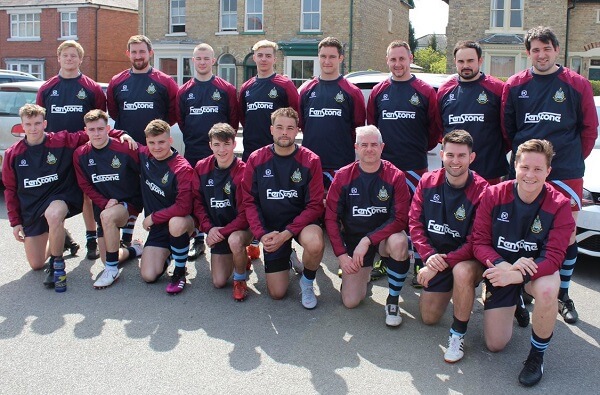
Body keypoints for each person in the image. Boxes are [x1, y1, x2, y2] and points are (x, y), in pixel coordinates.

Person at [502, 26, 599, 324]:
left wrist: (567, 159)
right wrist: (525, 162)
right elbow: (509, 129)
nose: (541, 55)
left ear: (556, 50)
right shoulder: (516, 84)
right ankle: (519, 294)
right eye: (535, 50)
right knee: (519, 232)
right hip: (526, 171)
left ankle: (563, 295)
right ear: (527, 53)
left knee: (567, 233)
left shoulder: (577, 84)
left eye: (546, 49)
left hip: (565, 172)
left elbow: (589, 130)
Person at [472, 139, 575, 387]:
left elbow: (553, 257)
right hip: (502, 269)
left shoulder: (560, 205)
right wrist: (502, 265)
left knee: (550, 287)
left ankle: (536, 355)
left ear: (548, 172)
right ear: (515, 166)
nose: (530, 175)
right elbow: (479, 242)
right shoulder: (493, 194)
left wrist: (516, 277)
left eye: (538, 169)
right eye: (525, 167)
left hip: (532, 274)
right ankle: (515, 297)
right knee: (495, 345)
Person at [2, 104, 131, 288]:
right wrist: (15, 222)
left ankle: (57, 265)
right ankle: (62, 239)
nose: (33, 128)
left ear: (45, 123)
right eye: (28, 124)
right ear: (22, 126)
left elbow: (92, 132)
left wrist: (120, 134)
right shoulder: (13, 154)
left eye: (37, 123)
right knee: (36, 263)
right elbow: (10, 189)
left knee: (54, 215)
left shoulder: (61, 140)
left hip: (58, 198)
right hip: (32, 206)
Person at [366, 40, 442, 286]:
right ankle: (384, 259)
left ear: (410, 58)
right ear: (387, 61)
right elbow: (372, 129)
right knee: (384, 214)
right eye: (393, 59)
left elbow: (434, 130)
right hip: (385, 167)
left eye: (402, 58)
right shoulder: (378, 91)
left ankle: (420, 260)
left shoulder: (425, 91)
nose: (397, 64)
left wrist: (418, 147)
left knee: (416, 216)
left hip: (415, 166)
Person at [409, 130, 488, 362]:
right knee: (429, 317)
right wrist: (428, 255)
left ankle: (457, 333)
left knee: (462, 273)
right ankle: (457, 288)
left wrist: (439, 263)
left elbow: (477, 240)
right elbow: (414, 222)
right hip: (437, 258)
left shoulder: (483, 190)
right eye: (450, 154)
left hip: (466, 259)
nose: (455, 161)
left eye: (462, 155)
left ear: (471, 158)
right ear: (442, 155)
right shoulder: (427, 181)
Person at [325, 125, 411, 325]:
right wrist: (341, 255)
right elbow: (330, 218)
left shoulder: (395, 176)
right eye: (364, 145)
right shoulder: (344, 176)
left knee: (399, 241)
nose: (369, 149)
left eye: (374, 144)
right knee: (351, 301)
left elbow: (400, 219)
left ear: (382, 147)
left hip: (383, 238)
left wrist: (369, 239)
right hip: (355, 241)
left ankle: (392, 301)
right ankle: (364, 275)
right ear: (356, 147)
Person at [241, 107, 325, 308]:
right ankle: (286, 255)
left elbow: (315, 206)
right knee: (277, 294)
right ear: (271, 130)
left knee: (314, 242)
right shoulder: (256, 159)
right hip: (271, 228)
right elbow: (249, 201)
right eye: (279, 127)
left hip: (300, 225)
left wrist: (287, 234)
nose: (284, 132)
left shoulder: (311, 160)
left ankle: (307, 281)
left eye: (290, 128)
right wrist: (262, 235)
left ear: (298, 130)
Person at [37, 40, 108, 260]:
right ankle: (64, 237)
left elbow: (99, 120)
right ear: (58, 58)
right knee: (51, 197)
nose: (69, 59)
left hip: (84, 151)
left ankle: (90, 239)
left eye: (73, 56)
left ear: (80, 59)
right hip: (54, 154)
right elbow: (40, 121)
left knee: (87, 196)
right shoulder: (47, 88)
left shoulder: (91, 88)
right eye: (65, 55)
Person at [107, 34, 179, 249]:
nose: (138, 56)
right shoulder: (117, 82)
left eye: (142, 51)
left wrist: (157, 140)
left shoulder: (164, 81)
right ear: (128, 54)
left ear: (150, 53)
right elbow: (114, 112)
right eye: (134, 52)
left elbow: (173, 113)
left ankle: (156, 234)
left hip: (155, 150)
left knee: (155, 192)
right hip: (126, 149)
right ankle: (126, 235)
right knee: (129, 191)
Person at [176, 43, 239, 261]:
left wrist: (220, 146)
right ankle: (198, 238)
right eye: (198, 59)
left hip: (221, 155)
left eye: (206, 58)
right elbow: (182, 121)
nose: (202, 62)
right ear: (193, 61)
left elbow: (233, 121)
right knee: (198, 197)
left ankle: (227, 235)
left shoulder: (226, 89)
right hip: (195, 153)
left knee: (223, 196)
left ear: (213, 61)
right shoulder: (183, 91)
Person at [238, 39, 300, 261]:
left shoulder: (284, 85)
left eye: (268, 55)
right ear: (254, 57)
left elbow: (294, 115)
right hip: (252, 155)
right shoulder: (247, 87)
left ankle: (286, 247)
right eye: (259, 55)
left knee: (278, 200)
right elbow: (244, 118)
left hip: (279, 156)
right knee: (255, 199)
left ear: (275, 58)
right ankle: (256, 240)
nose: (263, 59)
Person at [73, 110, 144, 289]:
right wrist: (104, 202)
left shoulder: (125, 147)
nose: (96, 133)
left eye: (100, 129)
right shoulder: (80, 154)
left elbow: (148, 164)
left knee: (108, 218)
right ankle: (134, 250)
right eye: (92, 130)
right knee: (106, 257)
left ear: (108, 129)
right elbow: (85, 186)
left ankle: (112, 271)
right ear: (85, 131)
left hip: (128, 204)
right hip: (105, 207)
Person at [192, 123, 253, 301]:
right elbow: (197, 202)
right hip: (216, 230)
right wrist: (208, 228)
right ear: (210, 145)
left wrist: (221, 232)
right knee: (218, 282)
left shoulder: (243, 171)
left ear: (235, 144)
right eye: (217, 144)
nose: (222, 149)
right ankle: (241, 257)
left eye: (226, 144)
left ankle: (240, 279)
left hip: (239, 230)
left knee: (235, 241)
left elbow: (245, 215)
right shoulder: (201, 168)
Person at [299, 36, 366, 190]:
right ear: (318, 57)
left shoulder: (352, 92)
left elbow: (358, 127)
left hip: (341, 165)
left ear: (340, 58)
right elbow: (303, 125)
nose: (327, 61)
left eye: (332, 57)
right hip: (311, 164)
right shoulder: (306, 90)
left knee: (338, 212)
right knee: (312, 210)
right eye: (323, 56)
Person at [438, 40, 509, 184]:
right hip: (455, 173)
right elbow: (439, 129)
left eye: (470, 61)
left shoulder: (497, 89)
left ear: (480, 60)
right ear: (455, 62)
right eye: (461, 61)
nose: (466, 66)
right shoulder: (444, 90)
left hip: (489, 172)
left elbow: (508, 129)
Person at [137, 120, 195, 294]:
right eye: (151, 142)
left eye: (161, 142)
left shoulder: (182, 168)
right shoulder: (144, 155)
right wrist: (121, 134)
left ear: (170, 140)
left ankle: (179, 270)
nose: (156, 147)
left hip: (182, 222)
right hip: (159, 229)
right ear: (146, 142)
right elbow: (113, 140)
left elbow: (183, 207)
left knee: (176, 223)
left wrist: (153, 217)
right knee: (148, 275)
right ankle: (172, 251)